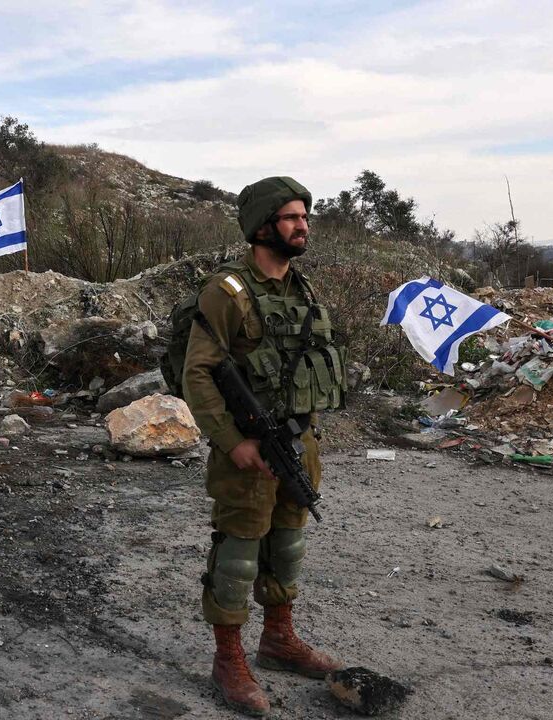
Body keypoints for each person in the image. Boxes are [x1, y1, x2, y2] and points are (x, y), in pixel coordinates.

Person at [181, 176, 347, 717]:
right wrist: (231, 443)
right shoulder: (226, 291)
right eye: (292, 217)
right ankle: (228, 659)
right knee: (238, 555)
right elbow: (199, 375)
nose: (304, 226)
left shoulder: (301, 288)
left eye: (305, 217)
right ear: (262, 226)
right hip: (249, 450)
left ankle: (279, 639)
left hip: (300, 444)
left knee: (289, 547)